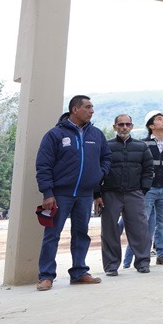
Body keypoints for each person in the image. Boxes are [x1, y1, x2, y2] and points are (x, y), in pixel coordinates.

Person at [35, 95, 111, 291]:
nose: (91, 111)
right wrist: (48, 193)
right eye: (87, 107)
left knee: (81, 234)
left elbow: (106, 157)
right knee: (52, 235)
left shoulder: (96, 134)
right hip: (60, 195)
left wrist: (98, 176)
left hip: (85, 195)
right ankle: (46, 276)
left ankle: (79, 272)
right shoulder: (55, 135)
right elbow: (43, 166)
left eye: (92, 107)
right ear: (75, 110)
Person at [96, 114, 153, 276]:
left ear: (132, 126)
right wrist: (97, 194)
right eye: (121, 124)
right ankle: (111, 266)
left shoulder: (141, 147)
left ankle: (142, 262)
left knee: (140, 230)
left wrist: (143, 190)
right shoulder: (105, 146)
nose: (124, 127)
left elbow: (149, 170)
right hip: (110, 194)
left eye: (127, 124)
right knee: (109, 231)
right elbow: (97, 171)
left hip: (134, 193)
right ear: (115, 127)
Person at [142, 110, 163, 266]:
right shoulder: (143, 144)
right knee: (144, 222)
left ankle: (162, 254)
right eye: (159, 119)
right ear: (151, 125)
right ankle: (143, 254)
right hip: (148, 189)